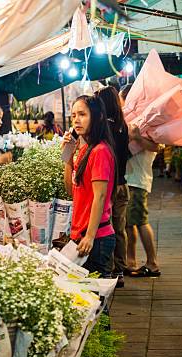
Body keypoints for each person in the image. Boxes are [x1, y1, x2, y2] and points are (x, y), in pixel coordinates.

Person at [62, 95, 117, 276]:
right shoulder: (86, 149)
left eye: (82, 114)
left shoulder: (100, 151)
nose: (76, 120)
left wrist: (90, 236)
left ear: (98, 116)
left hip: (96, 238)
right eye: (73, 115)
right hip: (81, 234)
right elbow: (71, 190)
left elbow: (100, 197)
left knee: (95, 298)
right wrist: (68, 155)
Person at [119, 84, 161, 277]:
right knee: (129, 223)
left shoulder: (144, 123)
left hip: (137, 179)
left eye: (122, 101)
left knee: (141, 221)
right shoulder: (134, 120)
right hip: (131, 178)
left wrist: (136, 137)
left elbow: (156, 147)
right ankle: (131, 261)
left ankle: (152, 264)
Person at [95, 86, 131, 287]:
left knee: (105, 228)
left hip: (108, 186)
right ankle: (119, 269)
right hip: (122, 185)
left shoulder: (104, 128)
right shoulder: (122, 125)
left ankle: (108, 269)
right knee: (119, 228)